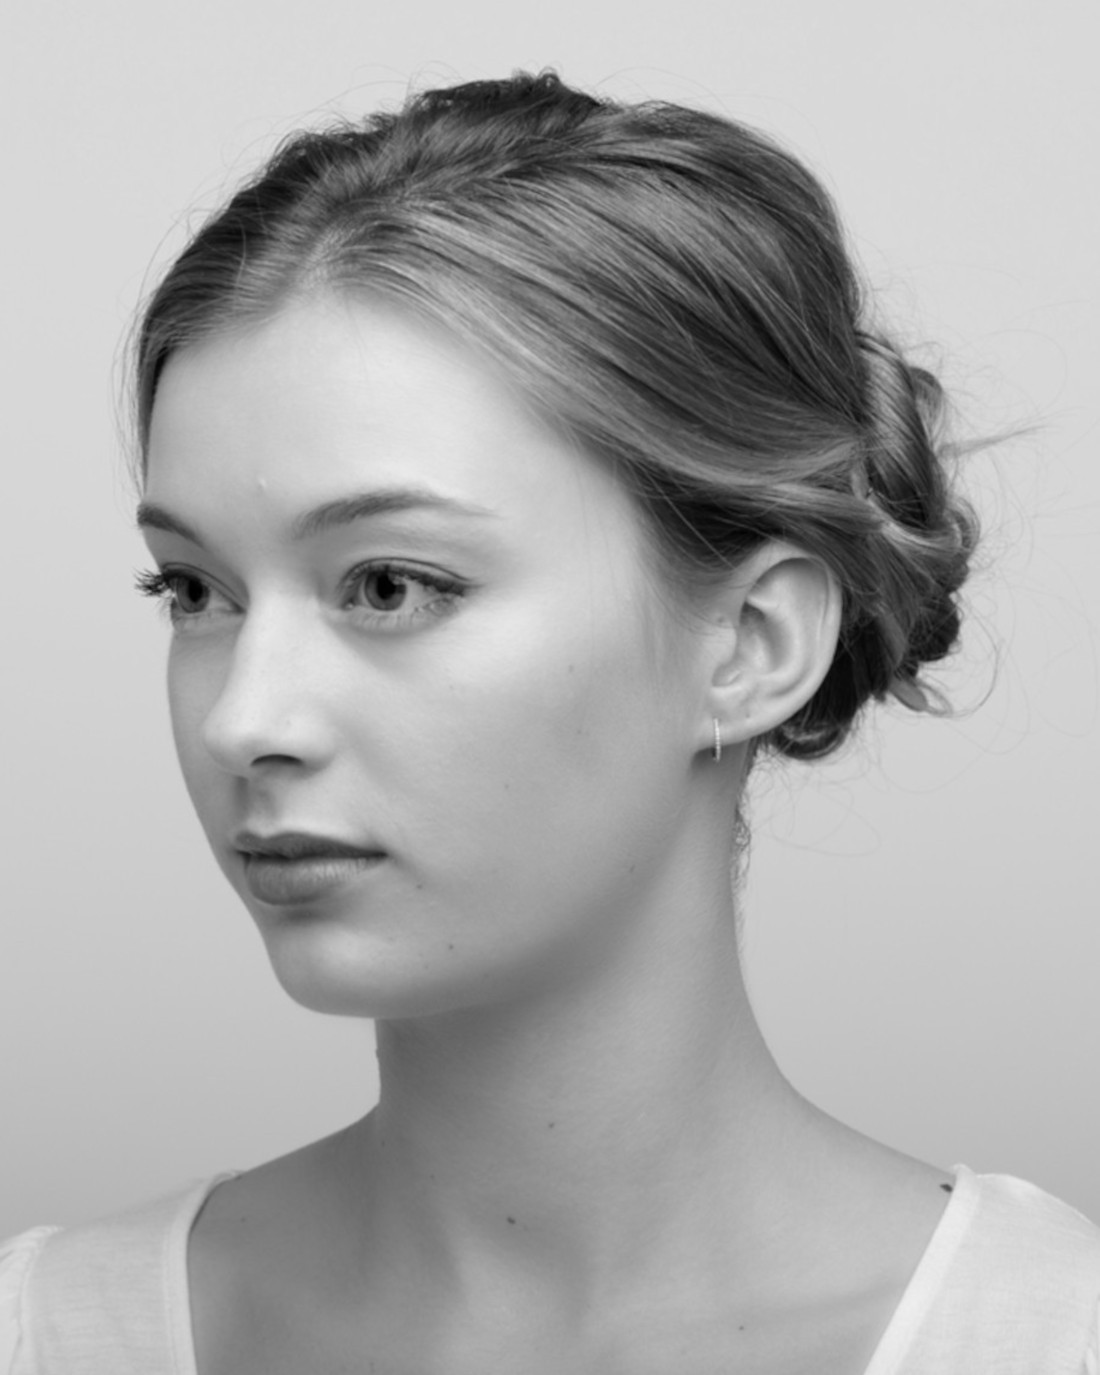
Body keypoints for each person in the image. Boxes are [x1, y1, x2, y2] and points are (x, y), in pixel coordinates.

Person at [2, 69, 1097, 1374]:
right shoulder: (49, 1334)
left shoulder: (1045, 1339)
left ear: (750, 645)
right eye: (194, 591)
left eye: (391, 586)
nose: (245, 720)